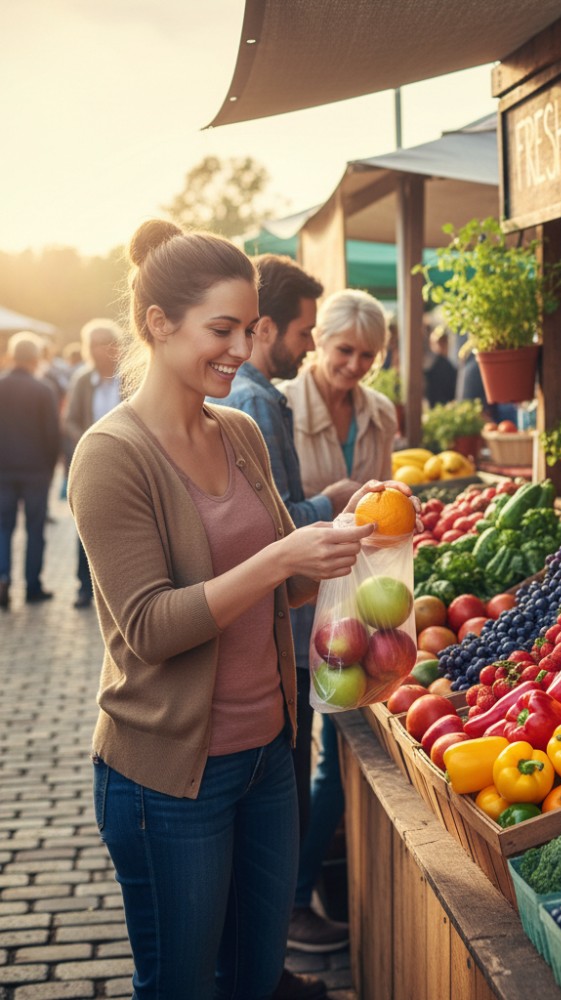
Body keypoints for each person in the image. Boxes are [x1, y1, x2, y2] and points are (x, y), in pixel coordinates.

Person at [68, 220, 397, 1000]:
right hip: (169, 779)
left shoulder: (242, 430)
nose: (242, 351)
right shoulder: (111, 454)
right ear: (158, 323)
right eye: (222, 330)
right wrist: (284, 555)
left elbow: (285, 587)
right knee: (183, 986)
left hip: (264, 759)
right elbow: (148, 628)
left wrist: (354, 547)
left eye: (248, 330)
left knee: (254, 978)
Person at [207, 255, 355, 983]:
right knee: (291, 782)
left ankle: (273, 951)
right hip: (270, 655)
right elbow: (274, 533)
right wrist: (333, 505)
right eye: (302, 331)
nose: (302, 345)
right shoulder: (257, 405)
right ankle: (283, 931)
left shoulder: (245, 410)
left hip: (273, 654)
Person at [277, 287, 397, 954]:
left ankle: (307, 895)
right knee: (304, 761)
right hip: (301, 608)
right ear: (318, 342)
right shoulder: (280, 410)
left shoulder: (380, 414)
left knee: (336, 762)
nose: (354, 365)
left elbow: (386, 515)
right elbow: (279, 515)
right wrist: (335, 509)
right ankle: (293, 902)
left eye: (367, 355)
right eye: (344, 350)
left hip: (361, 607)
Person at [63, 319, 123, 608]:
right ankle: (84, 587)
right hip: (92, 465)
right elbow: (71, 420)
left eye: (107, 342)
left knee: (126, 525)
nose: (102, 349)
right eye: (96, 344)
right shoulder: (83, 381)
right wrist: (89, 440)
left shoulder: (131, 376)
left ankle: (122, 587)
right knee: (87, 526)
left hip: (127, 463)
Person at [0, 331, 61, 608]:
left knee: (3, 529)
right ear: (36, 359)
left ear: (12, 356)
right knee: (35, 530)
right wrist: (50, 468)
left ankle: (2, 577)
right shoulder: (43, 389)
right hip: (36, 469)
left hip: (2, 470)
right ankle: (32, 587)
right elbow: (52, 434)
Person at [424, 326, 457, 406]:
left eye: (444, 342)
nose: (441, 345)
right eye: (439, 342)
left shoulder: (447, 365)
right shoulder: (434, 364)